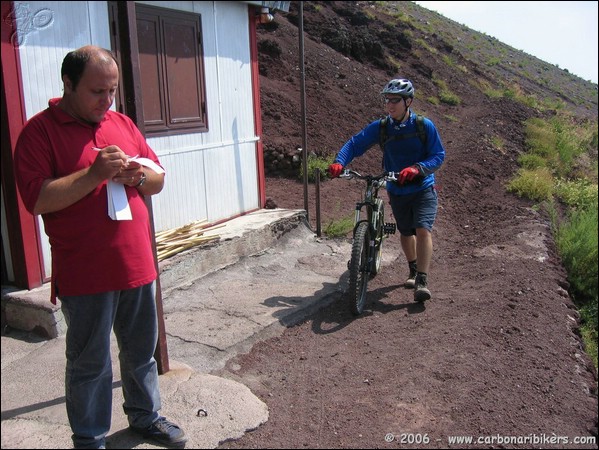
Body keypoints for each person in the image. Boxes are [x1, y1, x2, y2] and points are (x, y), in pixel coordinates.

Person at [13, 46, 187, 449]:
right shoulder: (39, 132)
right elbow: (38, 199)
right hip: (85, 272)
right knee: (90, 363)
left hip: (138, 265)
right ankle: (90, 439)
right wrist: (93, 174)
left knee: (141, 353)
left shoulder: (122, 123)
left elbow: (159, 179)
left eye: (112, 91)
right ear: (68, 84)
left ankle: (145, 417)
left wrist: (137, 178)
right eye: (96, 92)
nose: (106, 101)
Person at [328, 78, 445, 303]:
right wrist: (339, 162)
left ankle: (422, 280)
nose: (390, 105)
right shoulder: (382, 127)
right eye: (387, 100)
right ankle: (412, 268)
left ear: (408, 101)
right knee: (405, 231)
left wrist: (418, 168)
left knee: (422, 230)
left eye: (395, 100)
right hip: (397, 188)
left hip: (422, 187)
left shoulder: (423, 125)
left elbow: (438, 156)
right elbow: (355, 143)